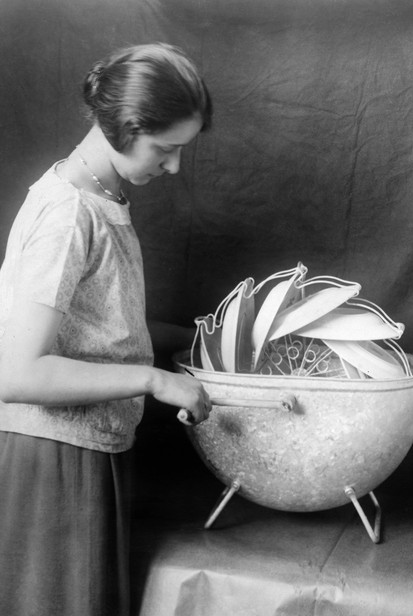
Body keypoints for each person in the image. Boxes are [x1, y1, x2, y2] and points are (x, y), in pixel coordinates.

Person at [0, 42, 213, 616]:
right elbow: (16, 374)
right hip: (54, 463)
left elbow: (100, 326)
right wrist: (155, 381)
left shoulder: (101, 195)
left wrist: (199, 338)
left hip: (90, 454)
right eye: (164, 150)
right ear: (128, 126)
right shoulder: (69, 214)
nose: (173, 167)